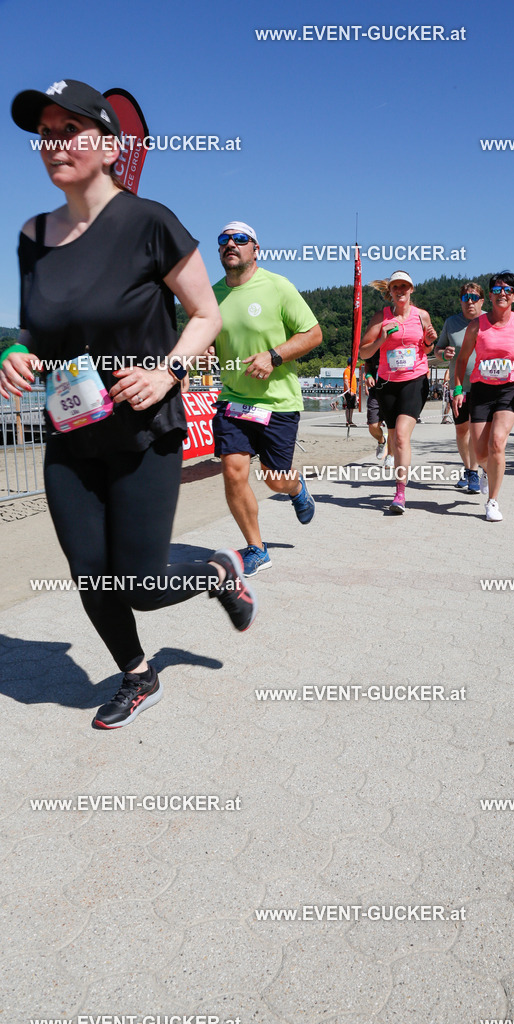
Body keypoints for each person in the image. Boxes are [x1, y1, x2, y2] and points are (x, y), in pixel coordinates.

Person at [2, 79, 256, 729]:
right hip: (70, 432)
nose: (53, 144)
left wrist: (167, 371)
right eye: (44, 134)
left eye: (70, 130)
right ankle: (138, 676)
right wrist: (15, 353)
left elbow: (204, 315)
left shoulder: (150, 223)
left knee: (140, 584)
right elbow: (35, 328)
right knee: (91, 574)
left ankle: (217, 571)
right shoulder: (33, 234)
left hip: (143, 431)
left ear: (111, 147)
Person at [212, 221, 322, 575]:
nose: (231, 244)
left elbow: (313, 334)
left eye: (240, 239)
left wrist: (274, 356)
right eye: (224, 239)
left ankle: (296, 487)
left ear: (255, 248)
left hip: (278, 403)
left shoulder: (277, 286)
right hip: (233, 399)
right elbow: (204, 338)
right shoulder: (212, 295)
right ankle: (256, 549)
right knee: (233, 471)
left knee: (274, 479)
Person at [453, 273, 514, 521]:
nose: (502, 294)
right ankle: (486, 469)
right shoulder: (477, 326)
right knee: (480, 453)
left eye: (507, 290)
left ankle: (492, 502)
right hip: (481, 390)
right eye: (497, 289)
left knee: (497, 443)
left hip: (510, 389)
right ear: (491, 296)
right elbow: (462, 360)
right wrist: (458, 390)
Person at [359, 271, 437, 513]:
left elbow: (427, 348)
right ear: (390, 291)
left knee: (402, 436)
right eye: (396, 287)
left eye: (405, 286)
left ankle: (400, 492)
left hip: (415, 380)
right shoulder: (381, 317)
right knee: (393, 437)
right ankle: (398, 482)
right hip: (387, 384)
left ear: (411, 289)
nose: (400, 290)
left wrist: (429, 342)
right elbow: (363, 352)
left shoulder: (421, 316)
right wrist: (381, 338)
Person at [435, 282, 485, 494]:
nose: (470, 302)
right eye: (465, 298)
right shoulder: (451, 322)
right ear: (460, 301)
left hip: (483, 386)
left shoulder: (489, 321)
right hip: (459, 387)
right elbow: (437, 350)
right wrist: (443, 354)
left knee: (475, 430)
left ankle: (473, 471)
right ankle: (468, 467)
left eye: (474, 298)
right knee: (462, 430)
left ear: (482, 301)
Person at [364, 348, 394, 466]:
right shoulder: (375, 345)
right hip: (376, 391)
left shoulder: (397, 345)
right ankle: (382, 441)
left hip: (393, 391)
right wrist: (368, 376)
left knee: (392, 426)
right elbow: (367, 364)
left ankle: (390, 456)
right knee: (373, 426)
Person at [342, 358, 358, 427]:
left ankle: (350, 420)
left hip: (353, 392)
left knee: (352, 407)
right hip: (349, 392)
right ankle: (348, 421)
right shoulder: (347, 370)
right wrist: (349, 390)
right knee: (349, 407)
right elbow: (346, 381)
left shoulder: (352, 371)